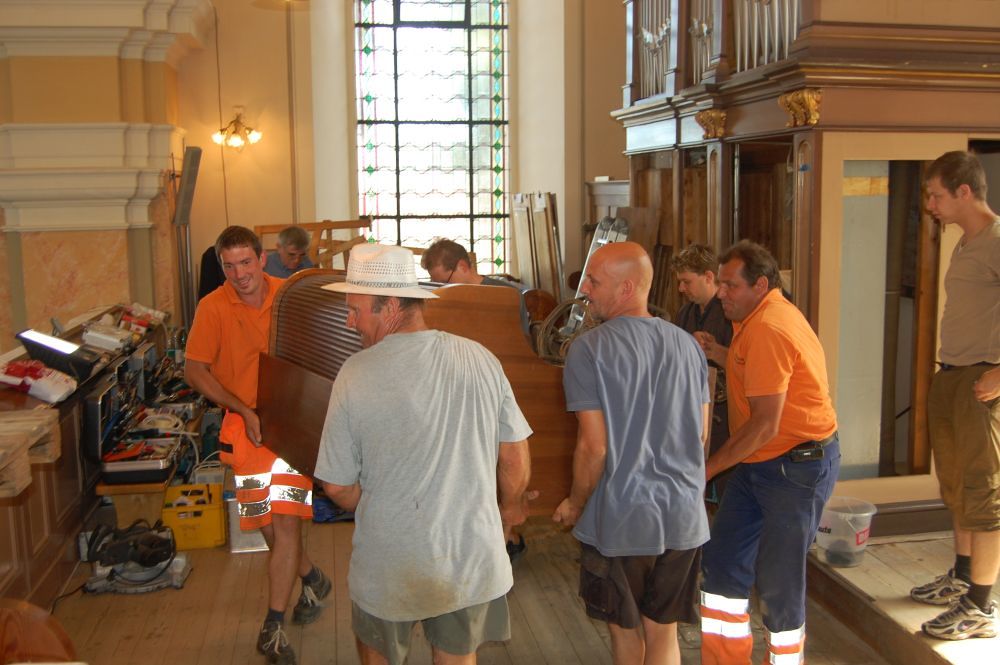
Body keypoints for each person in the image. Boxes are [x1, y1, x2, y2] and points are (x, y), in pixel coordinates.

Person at [315, 243, 533, 665]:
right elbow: (514, 457)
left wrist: (377, 504)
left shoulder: (355, 374)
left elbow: (337, 486)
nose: (349, 322)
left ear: (391, 306)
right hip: (467, 560)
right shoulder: (481, 358)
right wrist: (509, 508)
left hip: (389, 562)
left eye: (355, 310)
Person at [553, 241, 710, 665]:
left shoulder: (588, 350)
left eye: (593, 281)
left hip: (622, 517)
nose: (585, 289)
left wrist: (575, 503)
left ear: (626, 288)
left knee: (626, 635)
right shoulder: (688, 346)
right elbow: (699, 436)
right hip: (683, 515)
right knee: (664, 633)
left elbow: (594, 446)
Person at [185, 226, 330, 665]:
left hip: (290, 432)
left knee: (285, 524)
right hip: (244, 433)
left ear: (262, 259)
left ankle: (273, 626)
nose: (239, 274)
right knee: (268, 529)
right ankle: (311, 577)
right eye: (229, 266)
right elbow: (195, 370)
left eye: (246, 262)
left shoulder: (290, 295)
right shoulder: (212, 307)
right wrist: (242, 410)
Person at [699, 240, 840, 665]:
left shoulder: (768, 328)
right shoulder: (757, 317)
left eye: (730, 285)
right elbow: (758, 371)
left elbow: (764, 424)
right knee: (722, 561)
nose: (721, 293)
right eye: (720, 284)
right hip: (760, 462)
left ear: (760, 285)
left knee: (779, 582)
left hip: (795, 468)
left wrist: (706, 470)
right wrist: (718, 352)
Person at [908, 150, 999, 640]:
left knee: (983, 493)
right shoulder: (966, 242)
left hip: (984, 382)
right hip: (954, 375)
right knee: (957, 486)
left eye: (936, 195)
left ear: (965, 192)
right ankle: (963, 577)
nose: (930, 205)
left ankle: (981, 606)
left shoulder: (997, 240)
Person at [421, 237, 534, 559]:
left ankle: (502, 542)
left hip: (499, 393)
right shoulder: (446, 299)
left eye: (444, 281)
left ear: (462, 266)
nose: (442, 289)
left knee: (505, 470)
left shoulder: (505, 296)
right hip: (459, 397)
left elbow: (519, 349)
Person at [671, 243, 733, 500]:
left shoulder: (731, 313)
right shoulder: (686, 313)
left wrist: (714, 350)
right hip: (694, 412)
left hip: (726, 417)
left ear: (708, 276)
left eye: (686, 281)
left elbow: (748, 363)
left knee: (727, 491)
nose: (681, 288)